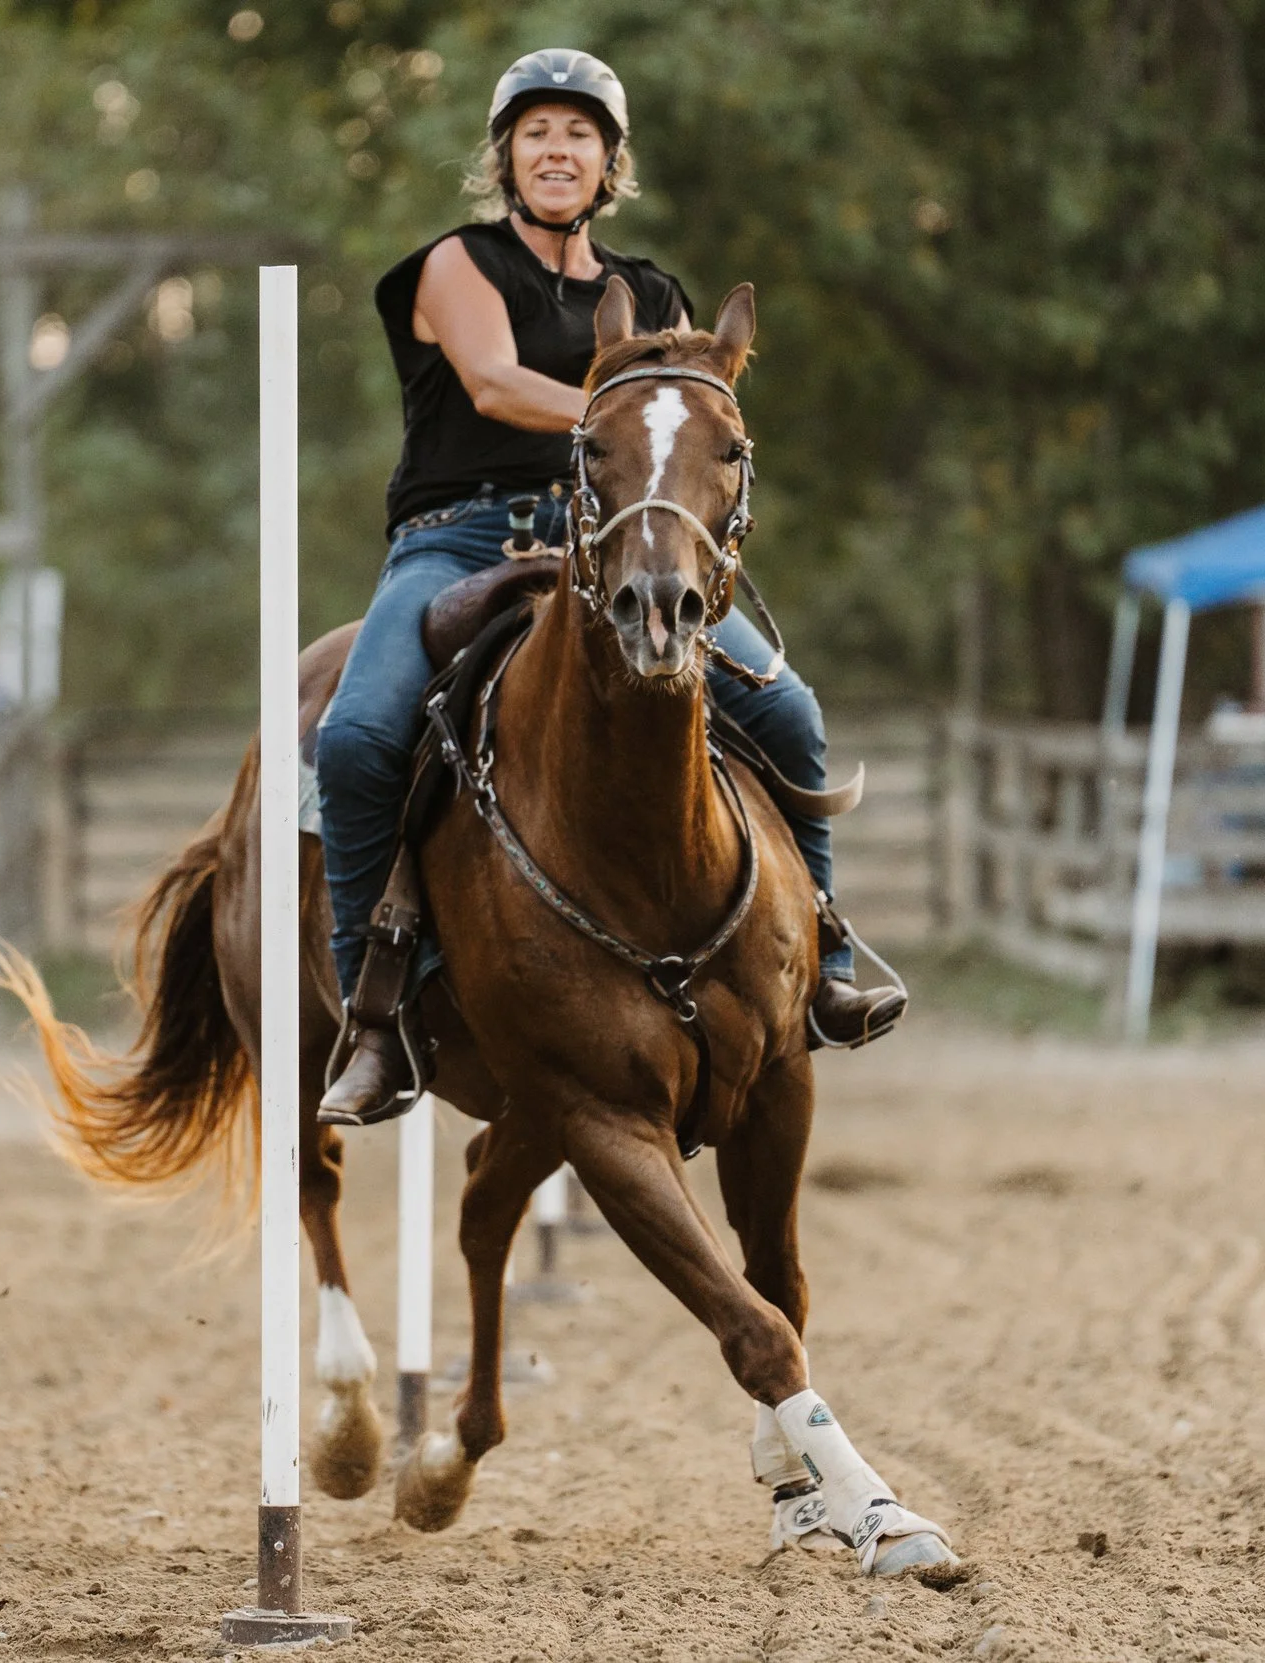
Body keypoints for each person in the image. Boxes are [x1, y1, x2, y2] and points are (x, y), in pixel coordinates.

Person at [316, 48, 905, 1123]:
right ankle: (374, 1017)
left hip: (616, 545)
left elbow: (684, 430)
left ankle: (824, 956)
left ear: (608, 162)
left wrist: (661, 433)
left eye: (578, 134)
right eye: (536, 133)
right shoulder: (456, 263)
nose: (557, 150)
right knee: (355, 739)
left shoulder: (653, 293)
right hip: (458, 542)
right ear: (505, 157)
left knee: (790, 711)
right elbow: (493, 384)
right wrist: (621, 408)